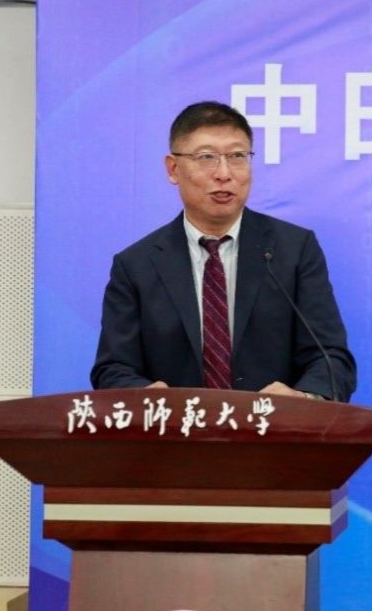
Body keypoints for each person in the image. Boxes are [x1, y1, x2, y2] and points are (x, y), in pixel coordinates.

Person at [90, 100, 356, 401]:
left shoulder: (294, 250)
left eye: (237, 156)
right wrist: (148, 397)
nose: (224, 173)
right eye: (207, 157)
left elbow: (331, 358)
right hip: (176, 429)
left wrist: (303, 398)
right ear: (173, 169)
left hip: (272, 428)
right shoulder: (136, 265)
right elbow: (114, 368)